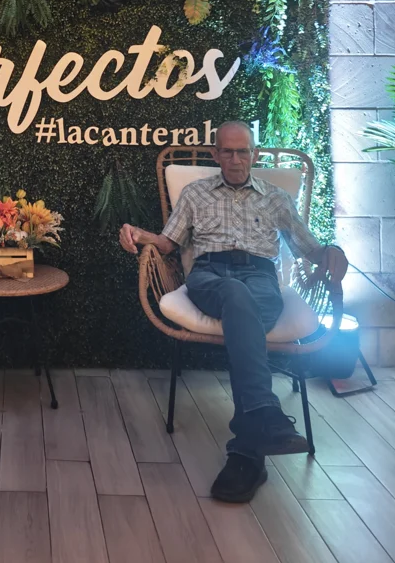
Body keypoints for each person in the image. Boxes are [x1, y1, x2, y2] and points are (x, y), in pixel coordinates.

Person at [119, 120, 347, 504]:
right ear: (216, 154)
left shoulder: (276, 198)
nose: (236, 159)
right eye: (228, 151)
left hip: (261, 279)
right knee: (234, 293)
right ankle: (262, 420)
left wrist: (332, 251)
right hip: (210, 276)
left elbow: (310, 249)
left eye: (243, 151)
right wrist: (141, 235)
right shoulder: (195, 193)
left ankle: (248, 446)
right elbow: (168, 243)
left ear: (254, 154)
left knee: (243, 300)